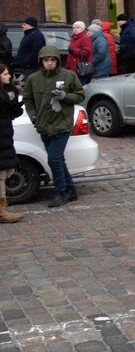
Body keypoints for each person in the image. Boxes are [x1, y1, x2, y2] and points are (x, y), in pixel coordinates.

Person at [21, 46, 84, 207]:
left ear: (57, 61)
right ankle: (70, 189)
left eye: (52, 60)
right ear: (41, 61)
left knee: (54, 159)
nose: (49, 63)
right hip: (43, 124)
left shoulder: (68, 75)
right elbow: (27, 99)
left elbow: (80, 95)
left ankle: (61, 191)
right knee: (58, 159)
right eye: (46, 60)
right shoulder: (33, 79)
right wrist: (34, 117)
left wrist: (66, 96)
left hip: (62, 124)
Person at [0, 62, 23, 223]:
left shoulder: (6, 92)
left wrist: (15, 102)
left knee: (3, 175)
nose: (9, 76)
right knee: (0, 176)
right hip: (2, 139)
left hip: (4, 138)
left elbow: (12, 113)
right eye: (6, 74)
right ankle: (2, 211)